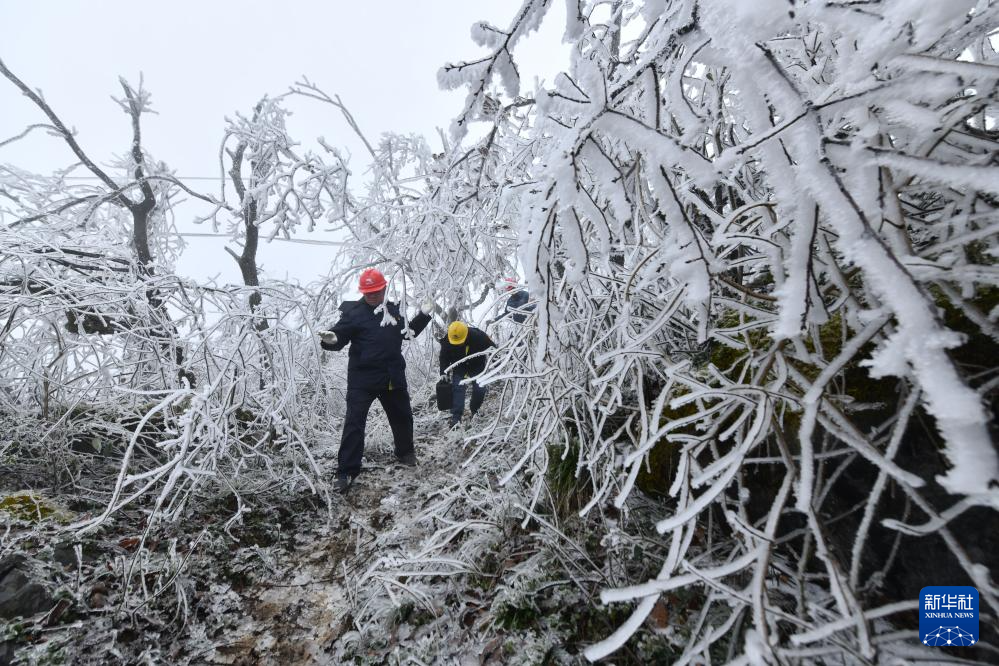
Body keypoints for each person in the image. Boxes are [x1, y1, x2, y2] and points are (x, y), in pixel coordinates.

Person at [319, 268, 435, 493]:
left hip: (392, 375)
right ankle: (346, 472)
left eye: (376, 291)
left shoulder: (392, 310)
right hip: (363, 379)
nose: (372, 295)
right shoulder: (354, 313)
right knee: (354, 423)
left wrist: (424, 315)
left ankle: (405, 453)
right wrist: (331, 340)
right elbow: (339, 335)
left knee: (402, 416)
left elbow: (407, 333)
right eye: (367, 292)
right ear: (362, 292)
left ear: (384, 288)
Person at [439, 321, 495, 428]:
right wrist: (443, 372)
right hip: (459, 366)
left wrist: (498, 364)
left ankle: (475, 412)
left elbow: (493, 349)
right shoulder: (447, 339)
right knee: (458, 389)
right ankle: (456, 419)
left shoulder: (479, 336)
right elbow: (443, 357)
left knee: (480, 389)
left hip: (477, 366)